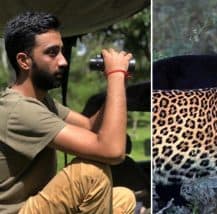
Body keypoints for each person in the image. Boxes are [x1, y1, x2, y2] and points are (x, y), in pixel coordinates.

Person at [0, 11, 136, 213]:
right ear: (24, 61)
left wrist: (118, 83)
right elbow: (113, 151)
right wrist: (115, 74)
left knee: (123, 198)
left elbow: (91, 126)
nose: (63, 61)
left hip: (35, 204)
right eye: (52, 53)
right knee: (91, 174)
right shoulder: (19, 110)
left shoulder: (42, 101)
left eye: (62, 52)